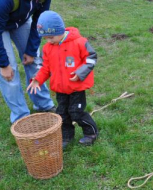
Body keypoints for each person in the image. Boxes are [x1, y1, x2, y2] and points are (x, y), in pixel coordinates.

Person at [27, 11, 99, 149]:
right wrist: (37, 79)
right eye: (45, 38)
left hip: (76, 88)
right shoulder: (48, 48)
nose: (48, 41)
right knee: (62, 114)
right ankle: (66, 136)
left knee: (76, 112)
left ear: (59, 31)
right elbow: (44, 68)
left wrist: (80, 73)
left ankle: (91, 133)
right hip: (60, 89)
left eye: (51, 37)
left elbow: (91, 58)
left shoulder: (79, 42)